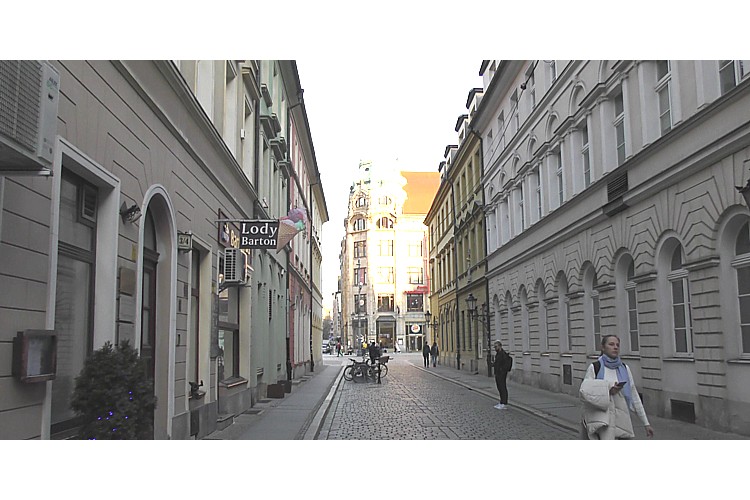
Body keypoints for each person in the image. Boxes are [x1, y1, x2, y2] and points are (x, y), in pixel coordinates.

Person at [579, 334, 654, 440]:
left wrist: (646, 423)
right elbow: (585, 392)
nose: (615, 347)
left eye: (617, 345)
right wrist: (608, 390)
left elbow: (634, 397)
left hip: (622, 425)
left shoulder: (624, 369)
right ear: (603, 347)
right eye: (611, 344)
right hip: (601, 423)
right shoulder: (595, 368)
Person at [492, 341, 512, 409]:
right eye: (494, 347)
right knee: (499, 388)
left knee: (502, 387)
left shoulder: (503, 354)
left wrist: (502, 370)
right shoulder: (498, 354)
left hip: (501, 374)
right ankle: (501, 402)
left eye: (496, 347)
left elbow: (504, 364)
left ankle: (504, 403)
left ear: (500, 346)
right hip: (498, 373)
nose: (495, 348)